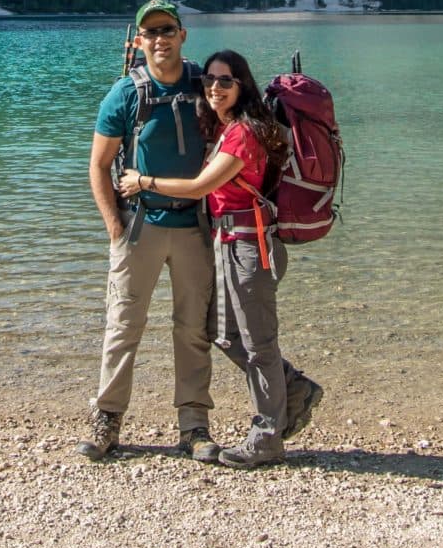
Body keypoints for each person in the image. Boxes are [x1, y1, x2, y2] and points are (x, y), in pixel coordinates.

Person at [121, 48, 323, 468]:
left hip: (251, 248)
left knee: (258, 342)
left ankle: (268, 435)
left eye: (225, 80)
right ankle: (294, 388)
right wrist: (143, 64)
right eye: (209, 80)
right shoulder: (228, 126)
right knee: (224, 333)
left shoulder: (244, 134)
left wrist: (142, 181)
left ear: (242, 85)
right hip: (229, 243)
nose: (215, 87)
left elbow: (198, 187)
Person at [79, 0, 216, 462]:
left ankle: (194, 424)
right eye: (151, 32)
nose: (160, 39)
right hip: (140, 225)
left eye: (168, 29)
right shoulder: (125, 94)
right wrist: (114, 227)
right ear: (139, 42)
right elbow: (98, 166)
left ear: (183, 35)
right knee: (123, 324)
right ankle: (108, 418)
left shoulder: (206, 85)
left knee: (192, 328)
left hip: (195, 227)